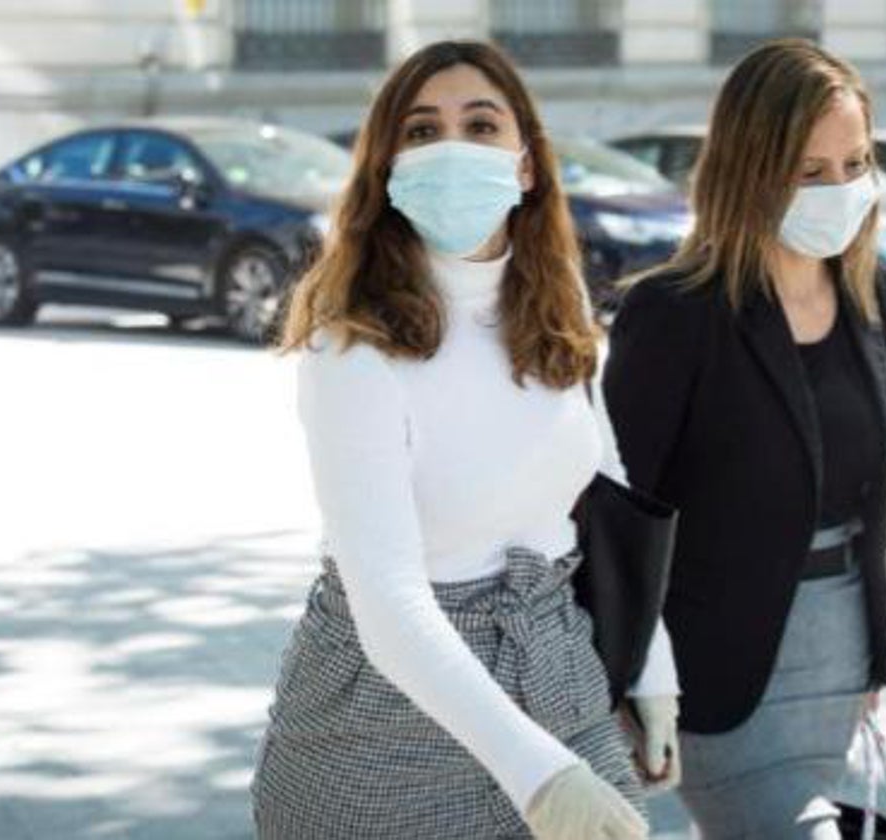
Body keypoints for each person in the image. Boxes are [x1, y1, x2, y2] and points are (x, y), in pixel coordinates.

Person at [250, 39, 681, 840]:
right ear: (386, 170)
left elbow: (608, 483)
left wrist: (655, 668)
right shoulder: (352, 350)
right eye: (420, 132)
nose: (452, 148)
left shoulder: (558, 318)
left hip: (558, 669)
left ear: (526, 165)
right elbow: (388, 603)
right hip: (381, 726)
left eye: (481, 126)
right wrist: (544, 780)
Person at [603, 39, 886, 839]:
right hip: (715, 674)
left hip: (840, 657)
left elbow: (870, 492)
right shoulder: (674, 313)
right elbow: (613, 518)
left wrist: (873, 648)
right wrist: (634, 681)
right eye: (810, 171)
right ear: (749, 170)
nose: (840, 189)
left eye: (855, 163)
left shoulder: (873, 289)